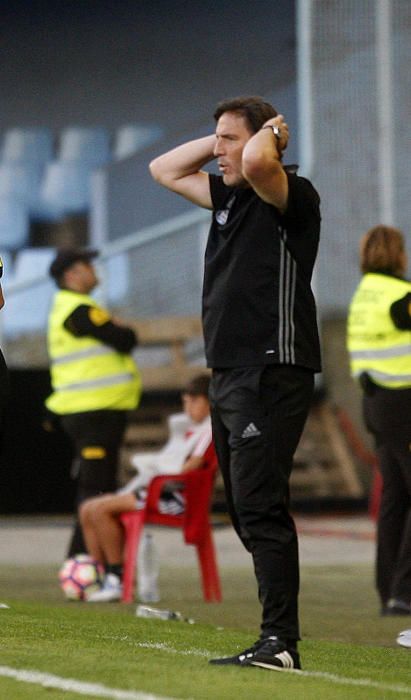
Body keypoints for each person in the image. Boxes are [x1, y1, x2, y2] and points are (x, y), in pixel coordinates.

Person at [149, 96, 321, 671]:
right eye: (214, 138)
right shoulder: (227, 199)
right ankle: (276, 637)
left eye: (228, 138)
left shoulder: (289, 195)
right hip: (229, 373)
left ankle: (281, 643)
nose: (217, 150)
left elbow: (257, 166)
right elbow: (163, 170)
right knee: (248, 511)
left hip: (270, 369)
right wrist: (222, 137)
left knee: (262, 507)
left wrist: (263, 135)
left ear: (263, 141)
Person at [79, 373, 214, 602]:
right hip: (160, 491)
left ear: (209, 402)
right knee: (87, 509)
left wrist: (159, 467)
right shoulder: (189, 430)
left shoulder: (209, 429)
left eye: (194, 401)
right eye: (185, 402)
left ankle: (117, 579)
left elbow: (190, 467)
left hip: (176, 499)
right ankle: (103, 578)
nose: (188, 407)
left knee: (100, 510)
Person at [46, 248, 142, 557]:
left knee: (100, 487)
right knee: (95, 488)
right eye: (86, 264)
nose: (93, 269)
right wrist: (119, 327)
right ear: (71, 275)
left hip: (96, 411)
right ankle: (83, 562)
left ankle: (93, 562)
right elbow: (126, 339)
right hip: (91, 412)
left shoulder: (76, 307)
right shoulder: (77, 309)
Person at [347, 225, 411, 616]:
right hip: (404, 405)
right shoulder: (401, 297)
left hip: (376, 405)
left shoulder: (364, 294)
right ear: (396, 254)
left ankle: (389, 589)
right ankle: (405, 591)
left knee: (395, 498)